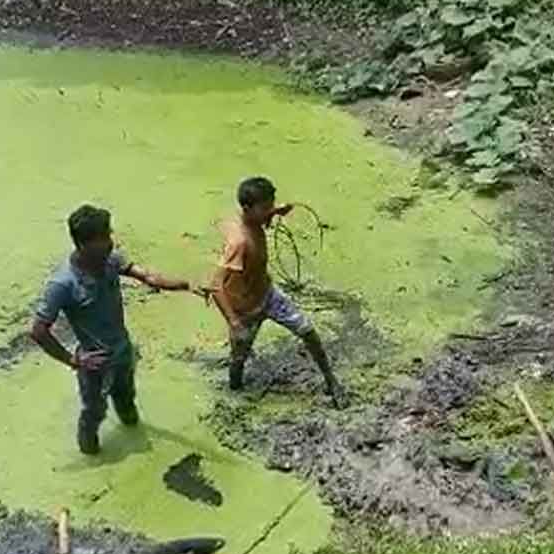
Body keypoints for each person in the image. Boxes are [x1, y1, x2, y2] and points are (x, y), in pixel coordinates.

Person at [31, 204, 194, 455]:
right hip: (95, 364)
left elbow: (148, 277)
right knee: (93, 413)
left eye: (109, 234)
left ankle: (132, 426)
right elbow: (39, 331)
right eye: (103, 237)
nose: (110, 241)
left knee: (127, 397)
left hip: (122, 351)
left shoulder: (111, 261)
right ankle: (90, 454)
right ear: (83, 244)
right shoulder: (63, 283)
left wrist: (186, 284)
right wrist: (73, 360)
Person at [209, 177, 345, 406]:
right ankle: (235, 389)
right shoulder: (239, 243)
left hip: (268, 296)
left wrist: (275, 212)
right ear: (247, 208)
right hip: (244, 311)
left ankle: (332, 382)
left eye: (270, 206)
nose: (269, 212)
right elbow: (214, 285)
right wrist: (233, 322)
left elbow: (257, 217)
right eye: (265, 208)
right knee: (239, 358)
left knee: (307, 330)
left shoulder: (254, 219)